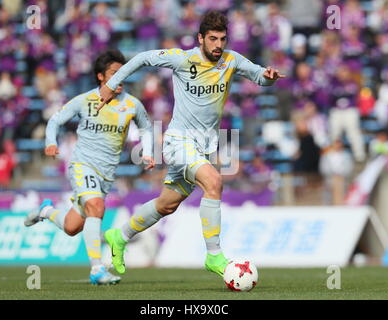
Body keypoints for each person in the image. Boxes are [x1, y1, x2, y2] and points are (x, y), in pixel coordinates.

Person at [98, 11, 284, 278]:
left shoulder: (231, 60)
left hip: (203, 147)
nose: (218, 45)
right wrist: (112, 83)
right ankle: (214, 255)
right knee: (214, 181)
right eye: (212, 39)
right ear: (200, 39)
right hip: (178, 142)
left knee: (167, 204)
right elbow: (141, 58)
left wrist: (269, 76)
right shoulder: (182, 59)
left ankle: (120, 235)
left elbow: (258, 77)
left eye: (222, 39)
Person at [24, 50, 155, 285]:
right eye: (115, 73)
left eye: (123, 72)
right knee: (96, 206)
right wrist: (51, 142)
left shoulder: (132, 104)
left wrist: (147, 151)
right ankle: (97, 269)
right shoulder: (85, 100)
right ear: (101, 77)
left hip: (106, 174)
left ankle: (45, 211)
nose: (121, 77)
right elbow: (55, 120)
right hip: (83, 165)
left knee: (72, 227)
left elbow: (146, 128)